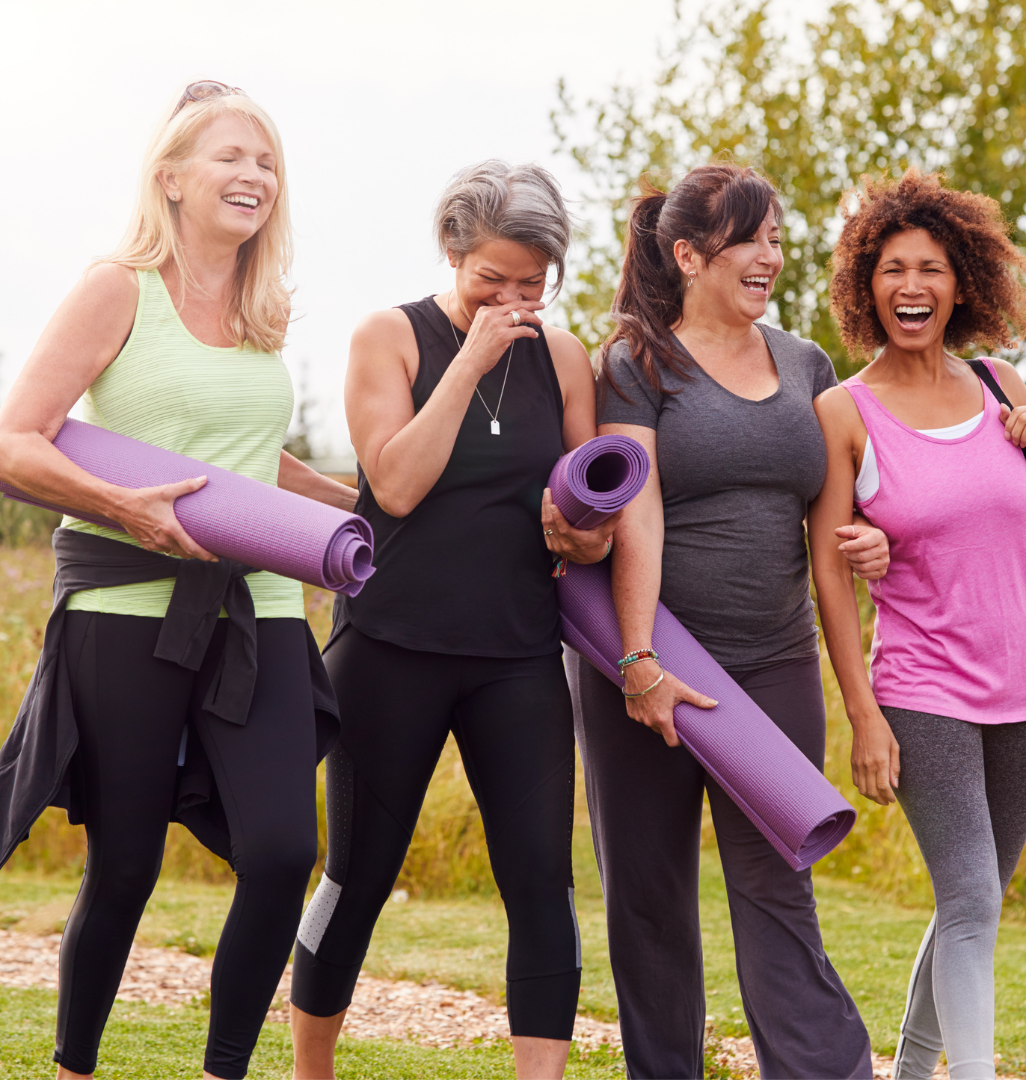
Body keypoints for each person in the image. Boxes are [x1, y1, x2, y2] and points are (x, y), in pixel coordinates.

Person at [0, 82, 356, 1080]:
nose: (254, 175)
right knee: (123, 867)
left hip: (261, 606)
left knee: (285, 851)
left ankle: (225, 1072)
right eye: (231, 157)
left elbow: (248, 459)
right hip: (125, 608)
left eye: (267, 161)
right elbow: (15, 441)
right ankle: (74, 1068)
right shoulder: (119, 286)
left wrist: (363, 509)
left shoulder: (260, 310)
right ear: (170, 176)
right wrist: (125, 508)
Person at [287, 160, 614, 1080]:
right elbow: (392, 482)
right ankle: (312, 1072)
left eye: (531, 286)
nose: (512, 301)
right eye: (491, 282)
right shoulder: (387, 337)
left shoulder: (563, 357)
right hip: (390, 646)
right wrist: (470, 358)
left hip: (516, 656)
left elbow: (587, 503)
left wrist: (585, 535)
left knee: (542, 889)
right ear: (453, 252)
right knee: (355, 882)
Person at [567, 163, 885, 1080]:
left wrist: (873, 548)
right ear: (689, 253)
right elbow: (638, 508)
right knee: (651, 898)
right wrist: (636, 660)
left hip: (775, 662)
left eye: (779, 240)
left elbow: (836, 528)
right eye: (753, 239)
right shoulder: (636, 360)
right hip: (656, 659)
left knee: (778, 885)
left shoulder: (807, 365)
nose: (772, 258)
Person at [809, 169, 1026, 1080]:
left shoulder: (1002, 385)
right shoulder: (844, 412)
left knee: (979, 900)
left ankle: (914, 1071)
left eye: (929, 267)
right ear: (864, 285)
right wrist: (863, 715)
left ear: (962, 282)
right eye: (890, 268)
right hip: (924, 689)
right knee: (969, 897)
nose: (910, 285)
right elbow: (829, 576)